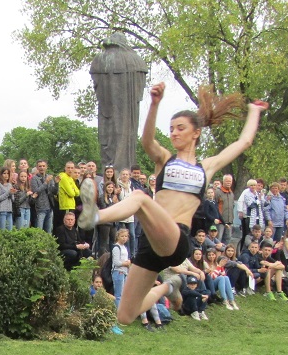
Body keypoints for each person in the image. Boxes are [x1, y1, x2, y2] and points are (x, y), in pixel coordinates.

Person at [78, 82, 267, 326]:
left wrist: (254, 110)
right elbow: (147, 142)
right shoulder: (165, 160)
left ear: (196, 133)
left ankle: (95, 216)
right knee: (125, 316)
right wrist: (154, 104)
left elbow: (243, 143)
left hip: (177, 238)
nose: (174, 133)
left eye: (180, 128)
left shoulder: (205, 168)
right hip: (151, 243)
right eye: (171, 129)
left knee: (139, 198)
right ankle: (169, 287)